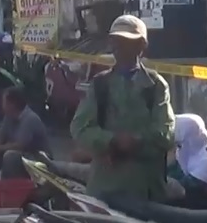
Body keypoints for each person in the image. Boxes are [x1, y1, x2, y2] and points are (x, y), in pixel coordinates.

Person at [70, 14, 175, 200]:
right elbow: (79, 128)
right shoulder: (100, 85)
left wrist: (136, 141)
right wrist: (111, 141)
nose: (118, 47)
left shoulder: (155, 86)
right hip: (105, 187)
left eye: (126, 41)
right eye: (115, 41)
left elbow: (166, 133)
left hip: (146, 190)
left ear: (141, 46)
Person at [0, 87, 51, 180]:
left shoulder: (29, 119)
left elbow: (20, 145)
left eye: (4, 102)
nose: (2, 105)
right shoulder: (9, 117)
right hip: (22, 155)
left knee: (10, 156)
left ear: (12, 104)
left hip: (37, 158)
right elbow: (1, 136)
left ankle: (10, 186)